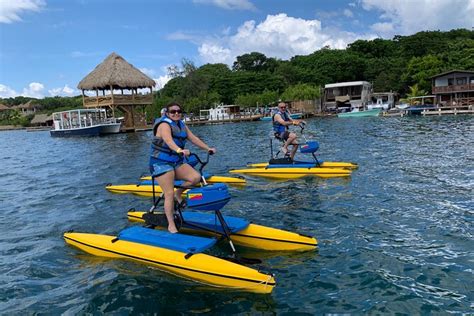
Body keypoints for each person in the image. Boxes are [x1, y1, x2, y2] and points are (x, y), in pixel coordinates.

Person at [149, 102, 216, 233]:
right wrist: (180, 150)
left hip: (176, 162)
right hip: (160, 163)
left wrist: (208, 148)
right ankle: (171, 224)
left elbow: (194, 138)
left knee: (195, 177)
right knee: (167, 193)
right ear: (167, 113)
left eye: (179, 111)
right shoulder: (164, 125)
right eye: (173, 112)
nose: (176, 113)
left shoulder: (182, 125)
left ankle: (178, 193)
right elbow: (168, 141)